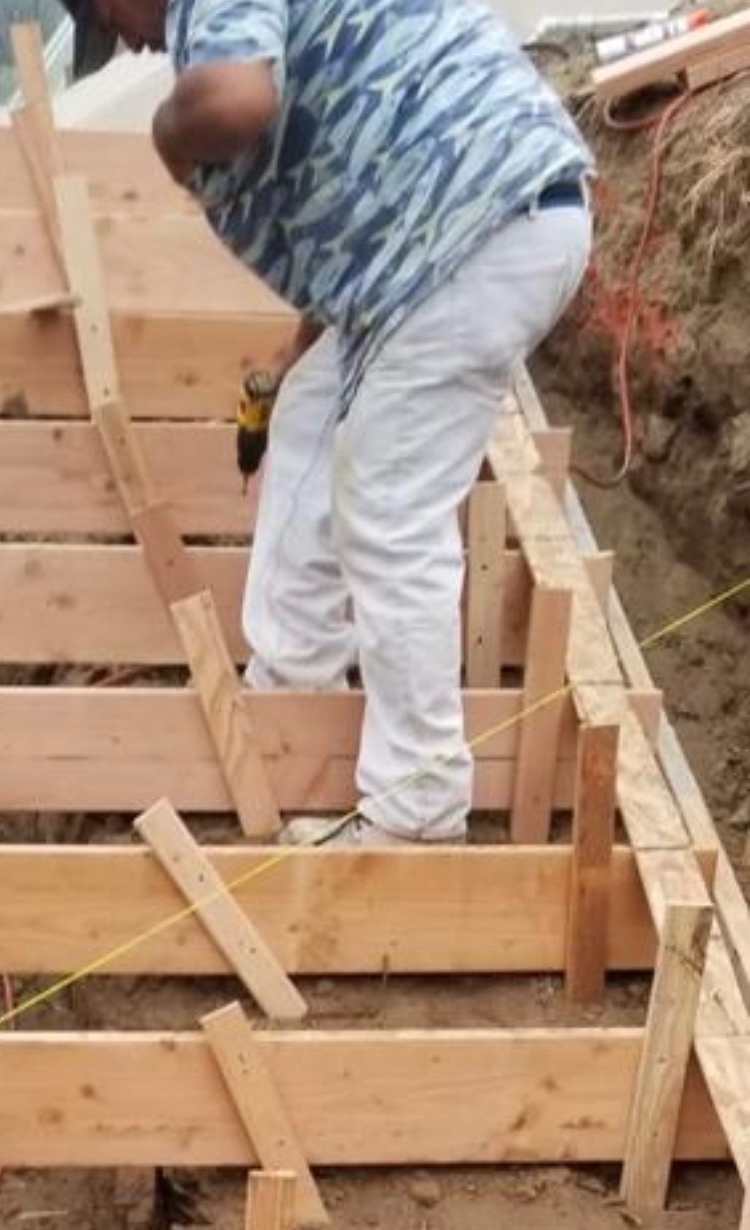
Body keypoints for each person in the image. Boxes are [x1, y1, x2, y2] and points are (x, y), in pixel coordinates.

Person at [61, 0, 592, 845]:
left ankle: (416, 814)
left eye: (108, 21)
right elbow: (357, 196)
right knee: (311, 409)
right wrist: (295, 350)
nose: (129, 44)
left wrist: (167, 134)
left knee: (389, 515)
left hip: (476, 234)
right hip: (473, 228)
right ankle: (292, 696)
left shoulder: (212, 16)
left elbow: (237, 101)